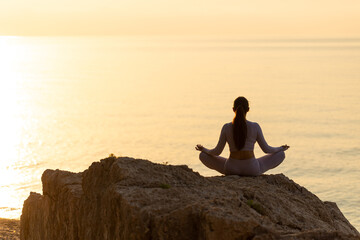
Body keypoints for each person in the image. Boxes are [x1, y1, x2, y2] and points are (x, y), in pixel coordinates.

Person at [195, 96, 289, 176]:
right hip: (252, 169)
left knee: (203, 155)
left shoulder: (226, 127)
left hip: (231, 168)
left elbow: (217, 152)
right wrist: (281, 148)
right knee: (281, 154)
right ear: (248, 110)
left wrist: (204, 150)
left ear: (233, 109)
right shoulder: (255, 126)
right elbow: (266, 150)